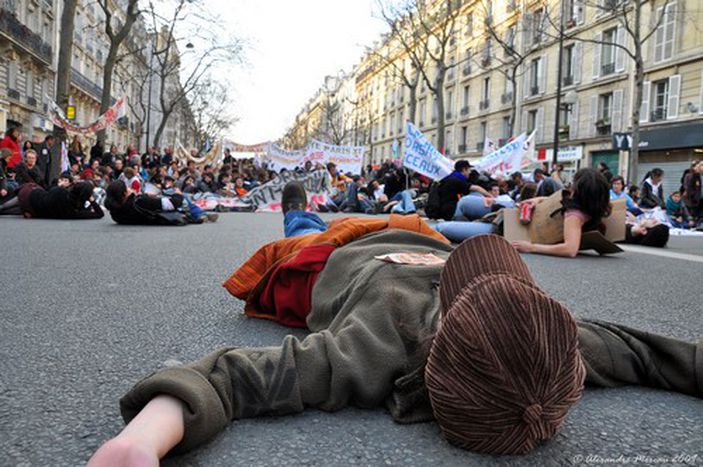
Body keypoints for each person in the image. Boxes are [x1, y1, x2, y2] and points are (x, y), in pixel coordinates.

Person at [88, 185, 701, 465]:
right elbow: (652, 355)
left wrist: (140, 442)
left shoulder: (369, 351)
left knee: (300, 232)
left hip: (339, 250)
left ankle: (298, 210)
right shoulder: (555, 350)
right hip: (424, 236)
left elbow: (231, 378)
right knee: (453, 224)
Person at [512, 168, 611, 258]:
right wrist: (539, 199)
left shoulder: (574, 214)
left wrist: (531, 247)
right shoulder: (595, 204)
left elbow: (570, 250)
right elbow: (561, 202)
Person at [104, 180, 216, 225]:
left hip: (147, 213)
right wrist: (178, 193)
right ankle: (201, 214)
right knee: (183, 196)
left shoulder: (115, 214)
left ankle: (201, 214)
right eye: (127, 188)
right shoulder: (140, 202)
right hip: (163, 214)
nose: (130, 188)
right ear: (124, 194)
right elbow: (174, 203)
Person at [18, 181, 104, 220]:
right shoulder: (74, 212)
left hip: (29, 193)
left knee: (27, 193)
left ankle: (4, 205)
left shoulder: (61, 191)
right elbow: (100, 214)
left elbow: (49, 189)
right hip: (32, 210)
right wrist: (92, 201)